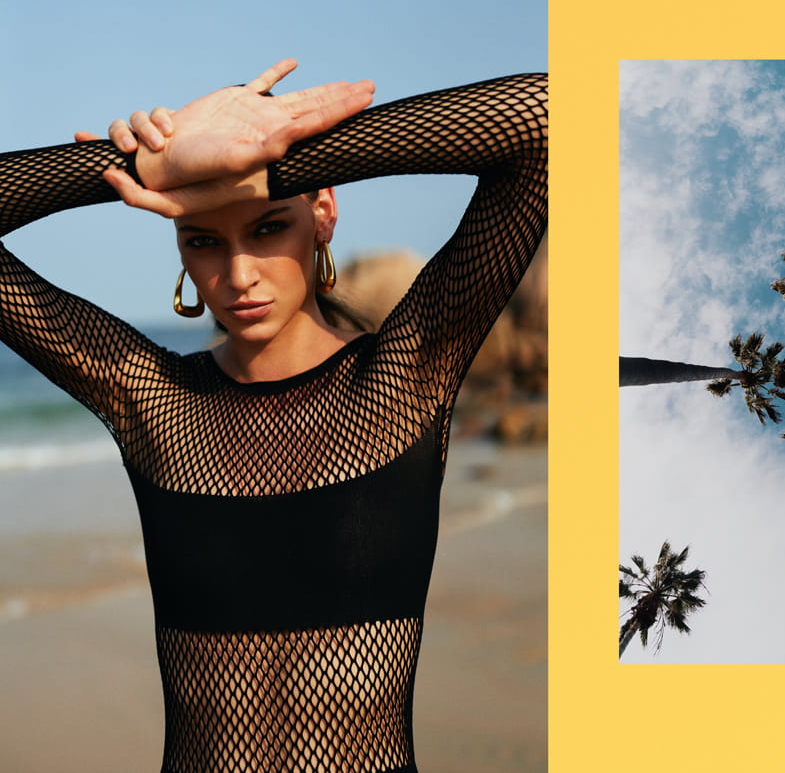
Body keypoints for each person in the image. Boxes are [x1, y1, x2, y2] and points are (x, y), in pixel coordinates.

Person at [0, 60, 547, 773]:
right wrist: (151, 164)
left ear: (322, 214)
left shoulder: (401, 382)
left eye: (266, 227)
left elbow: (546, 119)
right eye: (203, 240)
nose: (238, 275)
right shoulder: (156, 404)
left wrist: (274, 158)